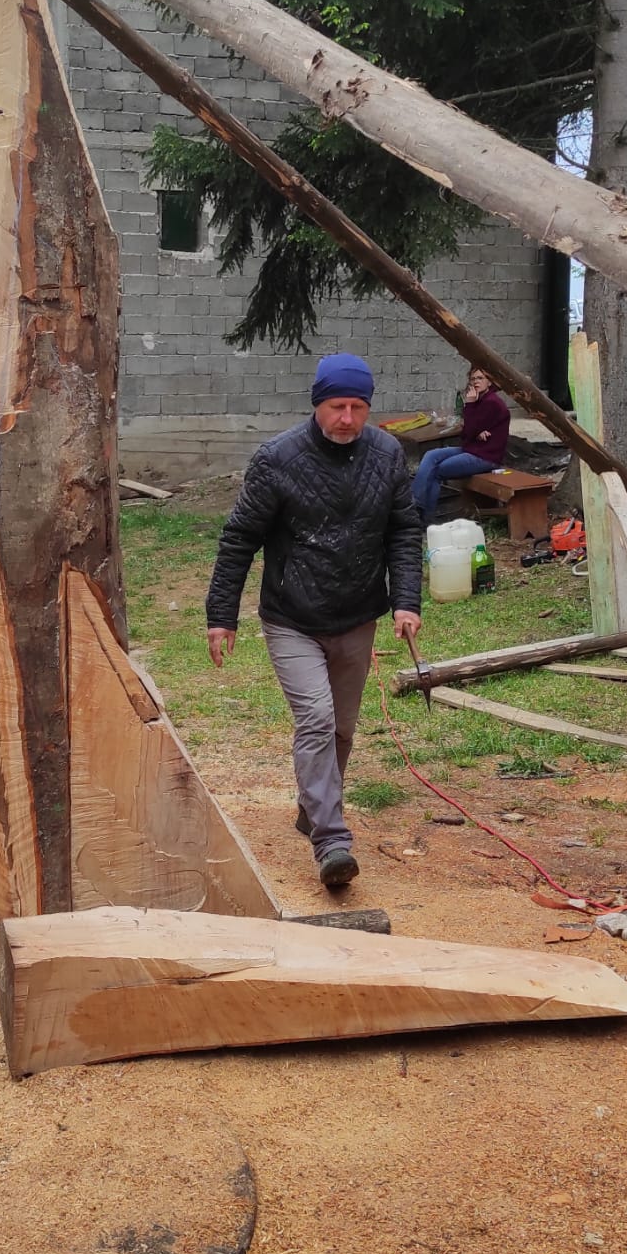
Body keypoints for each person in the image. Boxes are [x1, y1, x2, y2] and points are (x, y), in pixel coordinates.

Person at [204, 353, 423, 892]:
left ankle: (314, 805)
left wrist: (406, 601)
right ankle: (331, 841)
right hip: (292, 617)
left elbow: (403, 530)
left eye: (357, 408)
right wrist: (221, 615)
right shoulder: (277, 460)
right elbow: (239, 539)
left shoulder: (387, 454)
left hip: (357, 614)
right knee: (318, 719)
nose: (346, 418)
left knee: (343, 728)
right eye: (336, 407)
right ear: (317, 405)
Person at [411, 366, 511, 524]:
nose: (476, 382)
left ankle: (423, 517)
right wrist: (475, 432)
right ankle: (415, 504)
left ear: (489, 382)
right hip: (471, 449)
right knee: (431, 455)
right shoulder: (479, 400)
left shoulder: (491, 403)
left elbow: (468, 432)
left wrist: (469, 408)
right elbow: (466, 434)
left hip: (486, 457)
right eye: (473, 379)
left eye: (480, 378)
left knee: (437, 471)